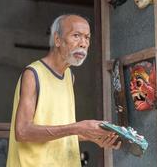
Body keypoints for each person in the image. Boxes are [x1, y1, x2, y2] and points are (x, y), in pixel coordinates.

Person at [6, 14, 121, 167]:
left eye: (87, 37)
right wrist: (77, 127)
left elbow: (60, 130)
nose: (83, 43)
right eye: (76, 36)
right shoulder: (33, 74)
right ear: (57, 40)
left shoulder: (69, 76)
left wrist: (93, 136)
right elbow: (22, 132)